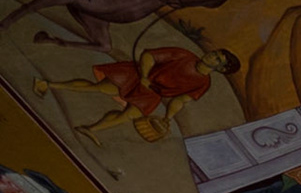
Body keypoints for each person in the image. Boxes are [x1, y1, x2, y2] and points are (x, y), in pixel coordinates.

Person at [32, 47, 237, 142]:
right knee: (98, 88)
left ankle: (90, 129)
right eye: (214, 52)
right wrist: (145, 76)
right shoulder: (184, 55)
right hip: (138, 76)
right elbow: (149, 55)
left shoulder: (203, 83)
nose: (211, 55)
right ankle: (47, 84)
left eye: (216, 58)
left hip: (152, 94)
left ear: (220, 69)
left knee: (129, 115)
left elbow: (180, 100)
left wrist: (168, 118)